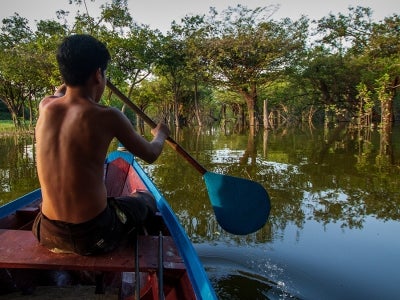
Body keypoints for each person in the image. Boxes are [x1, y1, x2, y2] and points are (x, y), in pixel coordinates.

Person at [32, 34, 170, 256]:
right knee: (145, 199)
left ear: (65, 73)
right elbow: (151, 153)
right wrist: (160, 133)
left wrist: (73, 74)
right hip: (93, 236)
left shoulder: (46, 106)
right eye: (103, 73)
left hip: (46, 233)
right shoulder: (108, 116)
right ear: (98, 74)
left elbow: (60, 92)